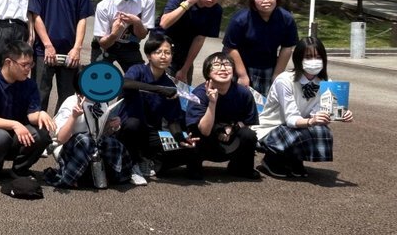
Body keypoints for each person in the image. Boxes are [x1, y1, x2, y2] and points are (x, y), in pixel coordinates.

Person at [254, 36, 352, 179]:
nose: (314, 61)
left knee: (323, 131)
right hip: (273, 126)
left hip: (300, 126)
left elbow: (321, 113)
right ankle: (272, 159)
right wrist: (311, 121)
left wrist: (341, 114)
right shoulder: (284, 80)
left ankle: (295, 158)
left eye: (318, 57)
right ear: (298, 58)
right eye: (308, 57)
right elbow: (291, 119)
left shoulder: (325, 82)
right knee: (300, 132)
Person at [0, 40, 55, 184]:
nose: (28, 69)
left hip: (19, 138)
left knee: (41, 134)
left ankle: (19, 170)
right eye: (24, 65)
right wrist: (14, 124)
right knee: (0, 136)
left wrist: (41, 114)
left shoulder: (29, 85)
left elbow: (32, 115)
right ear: (8, 62)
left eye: (31, 64)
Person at [28, 0, 94, 112]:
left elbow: (82, 19)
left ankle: (62, 128)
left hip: (70, 51)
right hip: (44, 51)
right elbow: (36, 16)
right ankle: (38, 128)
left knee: (68, 98)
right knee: (40, 94)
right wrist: (47, 45)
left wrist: (77, 48)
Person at [118, 34, 192, 182]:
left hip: (150, 133)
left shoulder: (169, 85)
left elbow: (172, 120)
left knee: (190, 150)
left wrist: (180, 138)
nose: (163, 56)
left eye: (167, 53)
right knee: (134, 124)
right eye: (158, 52)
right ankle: (132, 164)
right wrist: (158, 89)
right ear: (149, 56)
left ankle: (148, 160)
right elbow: (125, 83)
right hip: (126, 128)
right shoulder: (138, 70)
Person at [184, 52, 261, 180]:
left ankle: (241, 168)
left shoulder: (243, 93)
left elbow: (248, 121)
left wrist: (232, 128)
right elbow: (204, 130)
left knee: (249, 134)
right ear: (208, 72)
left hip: (230, 137)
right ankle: (194, 167)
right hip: (206, 139)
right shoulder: (199, 94)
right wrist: (212, 103)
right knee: (195, 133)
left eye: (227, 64)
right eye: (216, 65)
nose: (223, 68)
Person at [45, 88, 132, 189]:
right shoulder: (71, 102)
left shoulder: (101, 103)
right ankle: (69, 177)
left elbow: (101, 133)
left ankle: (113, 176)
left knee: (113, 143)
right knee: (85, 140)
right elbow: (61, 138)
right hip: (70, 148)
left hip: (93, 146)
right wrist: (73, 117)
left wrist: (112, 126)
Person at [222, 0, 298, 96]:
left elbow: (287, 47)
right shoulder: (240, 19)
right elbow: (230, 47)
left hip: (267, 65)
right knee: (237, 99)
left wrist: (277, 75)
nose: (265, 1)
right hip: (239, 64)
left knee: (264, 102)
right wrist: (242, 75)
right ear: (253, 0)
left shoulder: (286, 18)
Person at [157, 0, 227, 84]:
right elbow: (164, 23)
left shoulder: (216, 10)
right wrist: (188, 3)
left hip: (184, 54)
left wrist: (185, 69)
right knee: (162, 88)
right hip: (161, 48)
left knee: (183, 87)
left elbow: (199, 40)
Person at [91, 0, 155, 70]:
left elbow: (142, 35)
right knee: (98, 74)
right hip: (106, 45)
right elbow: (103, 44)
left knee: (140, 76)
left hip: (130, 44)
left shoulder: (148, 0)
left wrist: (137, 22)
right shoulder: (103, 6)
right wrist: (114, 34)